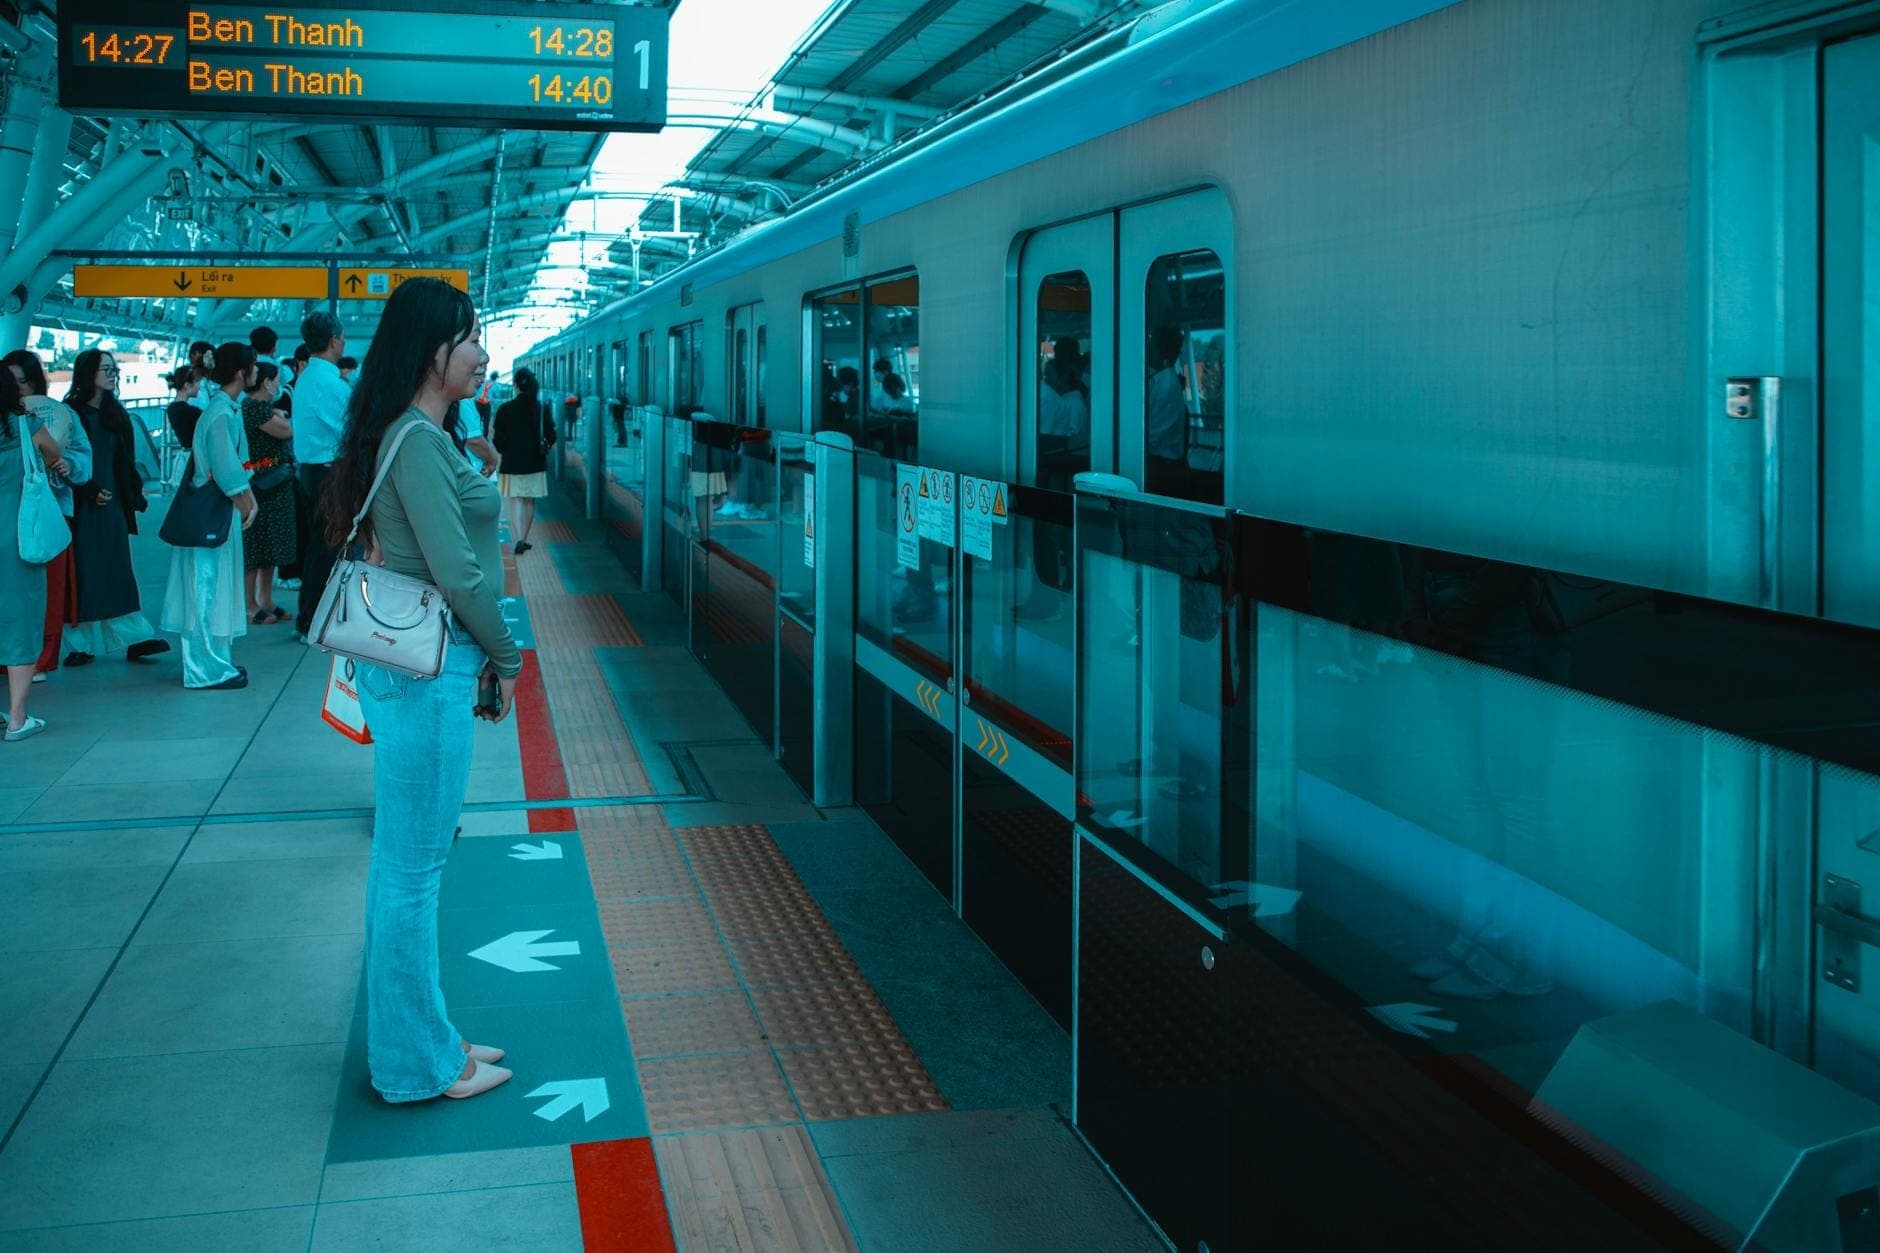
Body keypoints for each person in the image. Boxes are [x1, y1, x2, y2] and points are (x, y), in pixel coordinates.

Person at [321, 277, 520, 1103]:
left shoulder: (415, 435)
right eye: (470, 339)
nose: (482, 354)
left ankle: (428, 1034)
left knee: (409, 869)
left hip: (412, 674)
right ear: (431, 351)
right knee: (412, 873)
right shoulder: (417, 441)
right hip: (428, 674)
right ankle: (414, 1063)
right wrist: (508, 660)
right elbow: (463, 576)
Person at [61, 348, 168, 666]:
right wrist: (87, 489)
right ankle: (79, 644)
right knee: (81, 572)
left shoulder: (117, 415)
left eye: (113, 368)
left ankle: (133, 637)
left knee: (116, 569)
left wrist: (133, 495)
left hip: (112, 505)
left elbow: (124, 462)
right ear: (87, 373)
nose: (113, 373)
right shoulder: (71, 413)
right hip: (79, 504)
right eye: (105, 369)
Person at [162, 343, 259, 690]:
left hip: (217, 511)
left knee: (210, 587)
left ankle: (214, 662)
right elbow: (226, 470)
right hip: (215, 512)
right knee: (206, 588)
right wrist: (248, 501)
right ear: (240, 372)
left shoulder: (224, 409)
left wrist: (245, 496)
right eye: (254, 366)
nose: (257, 372)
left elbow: (234, 466)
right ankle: (204, 668)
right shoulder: (221, 414)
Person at [5, 351, 90, 682]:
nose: (17, 388)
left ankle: (40, 658)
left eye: (22, 381)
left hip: (47, 513)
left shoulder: (57, 415)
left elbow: (79, 456)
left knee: (48, 590)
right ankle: (19, 665)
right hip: (21, 514)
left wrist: (71, 467)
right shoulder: (24, 421)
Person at [2, 365, 65, 737]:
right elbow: (54, 451)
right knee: (21, 621)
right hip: (17, 537)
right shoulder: (23, 427)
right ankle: (17, 717)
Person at [291, 311, 350, 640]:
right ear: (332, 341)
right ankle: (313, 620)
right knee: (329, 548)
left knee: (321, 547)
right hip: (329, 473)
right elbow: (348, 429)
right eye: (341, 337)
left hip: (315, 471)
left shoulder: (310, 377)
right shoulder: (328, 381)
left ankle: (312, 617)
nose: (343, 342)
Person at [240, 362, 296, 623]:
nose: (279, 384)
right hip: (261, 483)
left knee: (271, 543)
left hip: (274, 483)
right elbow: (285, 431)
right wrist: (282, 417)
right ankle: (249, 604)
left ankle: (265, 599)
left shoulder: (261, 408)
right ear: (266, 382)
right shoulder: (253, 408)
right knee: (256, 544)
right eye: (277, 379)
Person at [491, 367, 554, 554]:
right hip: (536, 463)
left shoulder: (505, 409)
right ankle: (524, 539)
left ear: (516, 386)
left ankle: (517, 538)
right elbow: (551, 435)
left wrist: (505, 450)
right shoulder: (541, 408)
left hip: (512, 463)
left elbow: (497, 439)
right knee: (529, 501)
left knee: (515, 501)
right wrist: (544, 449)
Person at [1145, 325, 1189, 499]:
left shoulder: (1166, 387)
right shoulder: (1158, 380)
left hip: (1164, 472)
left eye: (1151, 345)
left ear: (1161, 352)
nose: (1146, 349)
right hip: (1161, 467)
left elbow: (1152, 437)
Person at [165, 366, 203, 451]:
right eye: (197, 382)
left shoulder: (172, 408)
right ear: (187, 385)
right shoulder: (190, 412)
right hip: (193, 457)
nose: (199, 386)